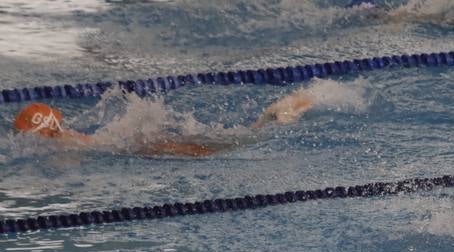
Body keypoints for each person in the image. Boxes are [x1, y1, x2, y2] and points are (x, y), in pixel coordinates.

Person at [11, 88, 316, 158]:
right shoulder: (67, 135)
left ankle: (273, 119)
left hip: (142, 146)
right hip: (138, 143)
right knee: (219, 145)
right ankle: (269, 119)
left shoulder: (62, 142)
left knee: (219, 149)